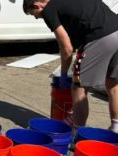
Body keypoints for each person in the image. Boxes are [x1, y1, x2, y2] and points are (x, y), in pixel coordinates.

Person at [23, 0, 118, 133]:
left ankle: (76, 133)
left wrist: (63, 73)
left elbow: (66, 48)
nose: (37, 17)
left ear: (37, 5)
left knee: (78, 87)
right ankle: (116, 127)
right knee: (112, 83)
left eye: (36, 15)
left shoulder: (49, 9)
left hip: (100, 37)